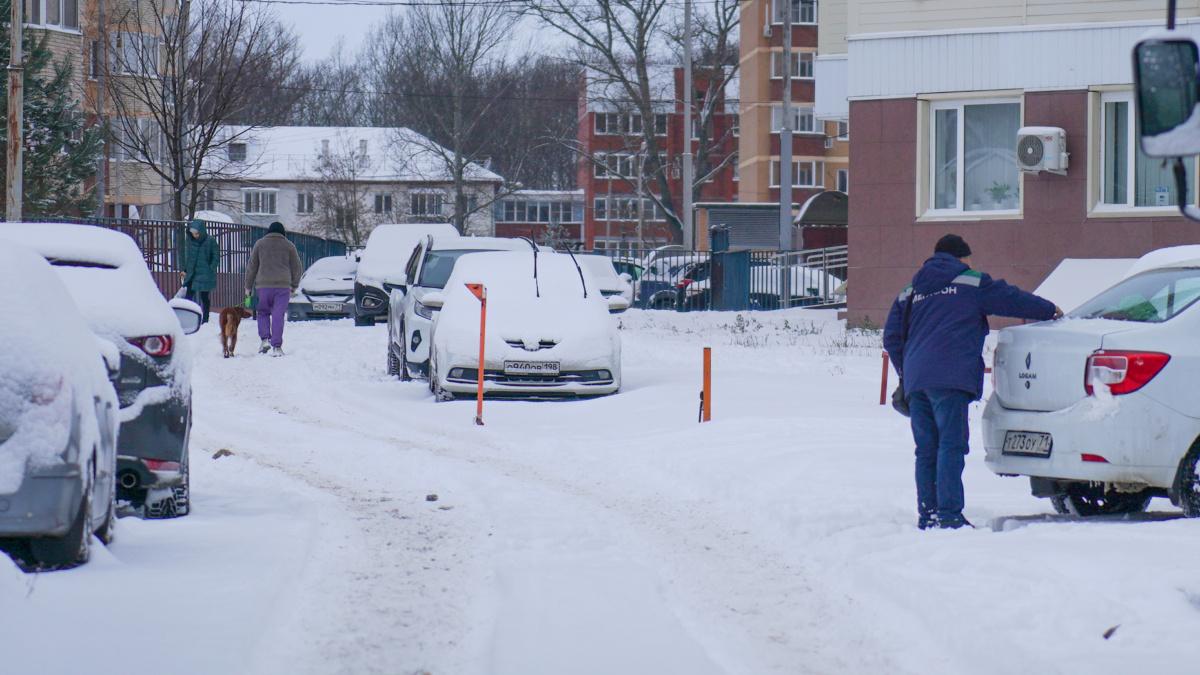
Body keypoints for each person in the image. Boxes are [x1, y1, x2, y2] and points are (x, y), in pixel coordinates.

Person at [883, 234, 1062, 530]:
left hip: (917, 382)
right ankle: (949, 515)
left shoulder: (910, 291)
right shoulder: (969, 281)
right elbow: (1010, 298)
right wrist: (1048, 309)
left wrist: (908, 371)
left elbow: (891, 336)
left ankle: (928, 514)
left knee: (926, 450)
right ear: (962, 258)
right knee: (951, 446)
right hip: (950, 378)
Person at [245, 221, 302, 356]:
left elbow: (252, 267)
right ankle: (277, 347)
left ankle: (265, 339)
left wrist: (248, 286)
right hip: (283, 287)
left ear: (269, 232)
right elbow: (297, 267)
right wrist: (294, 285)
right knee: (278, 315)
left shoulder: (260, 244)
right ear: (283, 233)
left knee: (263, 312)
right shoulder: (289, 246)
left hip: (264, 286)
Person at [179, 219, 219, 324]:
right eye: (193, 234)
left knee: (204, 297)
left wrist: (210, 268)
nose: (195, 236)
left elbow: (216, 256)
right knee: (189, 295)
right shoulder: (191, 241)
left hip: (204, 273)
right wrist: (185, 270)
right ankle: (188, 317)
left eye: (197, 233)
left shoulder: (210, 241)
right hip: (193, 272)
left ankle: (205, 318)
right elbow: (189, 258)